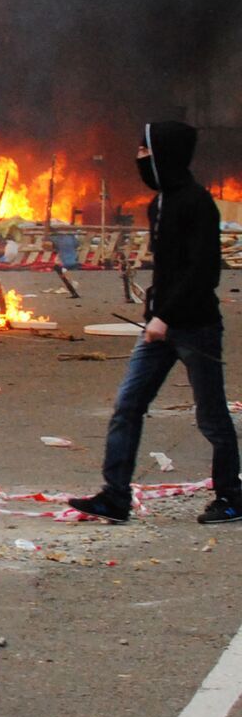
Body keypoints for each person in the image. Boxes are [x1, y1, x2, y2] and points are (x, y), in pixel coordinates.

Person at [70, 121, 242, 526]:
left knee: (211, 416)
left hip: (196, 328)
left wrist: (166, 316)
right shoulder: (158, 203)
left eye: (145, 151)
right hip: (159, 327)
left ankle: (231, 497)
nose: (139, 159)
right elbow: (169, 270)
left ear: (166, 153)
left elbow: (204, 272)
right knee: (127, 406)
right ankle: (116, 496)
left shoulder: (198, 203)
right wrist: (154, 306)